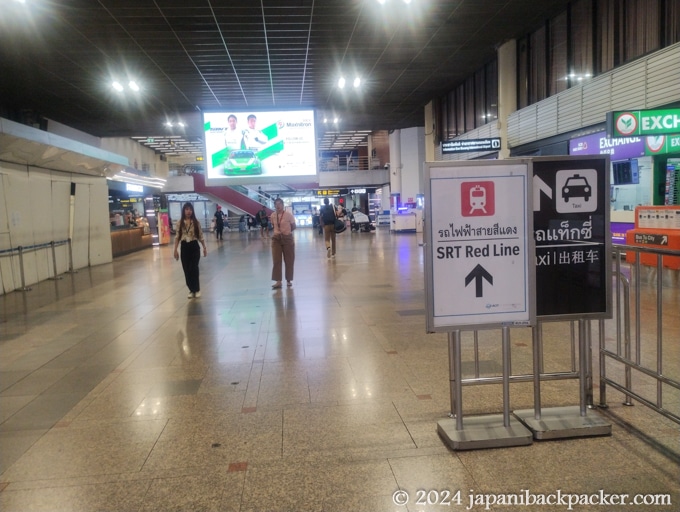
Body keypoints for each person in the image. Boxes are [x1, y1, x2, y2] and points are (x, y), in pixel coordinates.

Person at [173, 202, 207, 298]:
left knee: (194, 268)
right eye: (187, 209)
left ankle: (197, 289)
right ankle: (191, 290)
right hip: (184, 247)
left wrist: (204, 248)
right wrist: (175, 250)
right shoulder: (179, 223)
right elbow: (177, 237)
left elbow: (200, 236)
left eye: (190, 209)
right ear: (184, 210)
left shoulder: (196, 222)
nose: (189, 211)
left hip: (194, 247)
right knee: (186, 269)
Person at [270, 198, 296, 289]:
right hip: (276, 239)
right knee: (276, 260)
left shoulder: (289, 215)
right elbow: (273, 225)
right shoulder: (273, 215)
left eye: (279, 204)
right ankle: (278, 281)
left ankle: (288, 280)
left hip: (287, 239)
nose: (278, 206)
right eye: (276, 204)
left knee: (289, 259)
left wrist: (286, 232)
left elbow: (293, 226)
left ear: (283, 205)